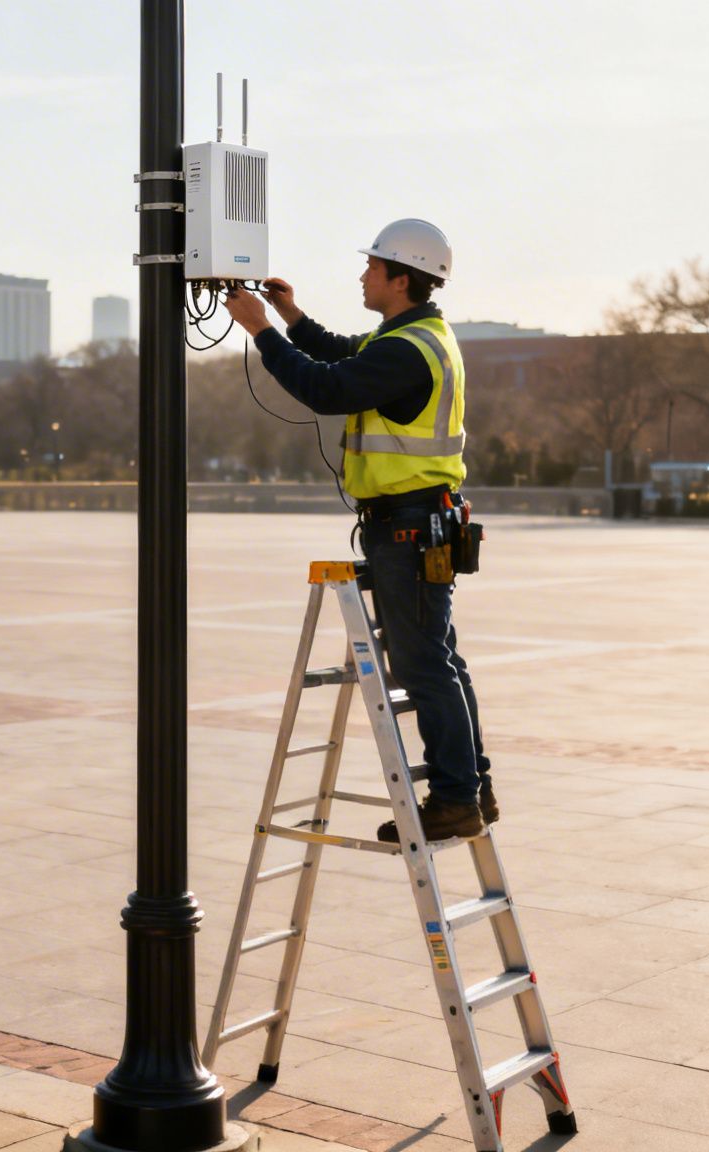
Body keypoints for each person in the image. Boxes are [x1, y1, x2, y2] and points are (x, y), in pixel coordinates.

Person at [223, 218, 494, 843]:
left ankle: (456, 798)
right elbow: (346, 353)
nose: (363, 275)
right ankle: (473, 786)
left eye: (373, 267)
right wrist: (292, 317)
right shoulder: (419, 336)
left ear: (401, 279)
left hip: (409, 529)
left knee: (425, 668)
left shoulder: (404, 350)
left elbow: (327, 387)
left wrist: (260, 329)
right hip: (421, 522)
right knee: (441, 662)